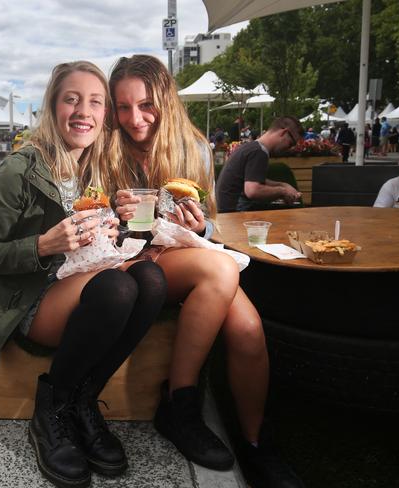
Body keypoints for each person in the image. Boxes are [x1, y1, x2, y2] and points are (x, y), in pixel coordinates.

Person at [107, 54, 305, 488]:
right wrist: (118, 215)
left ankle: (255, 444)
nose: (134, 118)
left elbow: (212, 219)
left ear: (165, 100)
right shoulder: (108, 148)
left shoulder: (193, 146)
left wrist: (202, 225)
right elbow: (104, 224)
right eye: (122, 107)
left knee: (250, 330)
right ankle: (180, 405)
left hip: (190, 253)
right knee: (219, 270)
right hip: (136, 260)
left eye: (145, 105)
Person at [0, 61, 168, 488]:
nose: (84, 110)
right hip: (31, 300)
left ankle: (83, 403)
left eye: (95, 102)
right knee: (118, 287)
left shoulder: (91, 170)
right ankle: (52, 409)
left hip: (78, 285)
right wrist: (44, 244)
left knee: (152, 281)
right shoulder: (18, 170)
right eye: (72, 99)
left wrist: (117, 223)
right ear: (53, 106)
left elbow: (94, 249)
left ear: (104, 115)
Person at [216, 116, 303, 213]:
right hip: (233, 216)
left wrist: (283, 185)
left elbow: (254, 179)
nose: (290, 148)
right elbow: (253, 191)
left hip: (223, 212)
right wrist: (283, 191)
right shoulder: (259, 152)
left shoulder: (251, 147)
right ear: (283, 132)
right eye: (291, 143)